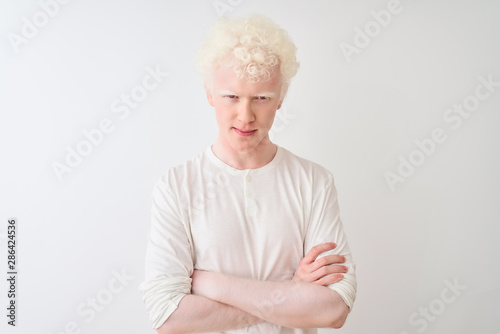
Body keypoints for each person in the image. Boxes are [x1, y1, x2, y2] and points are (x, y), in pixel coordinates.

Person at [139, 14, 357, 334]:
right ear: (210, 94)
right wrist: (291, 291)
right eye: (231, 96)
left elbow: (333, 310)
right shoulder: (176, 186)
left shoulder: (314, 182)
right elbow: (169, 318)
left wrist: (214, 285)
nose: (245, 115)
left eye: (261, 98)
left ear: (280, 98)